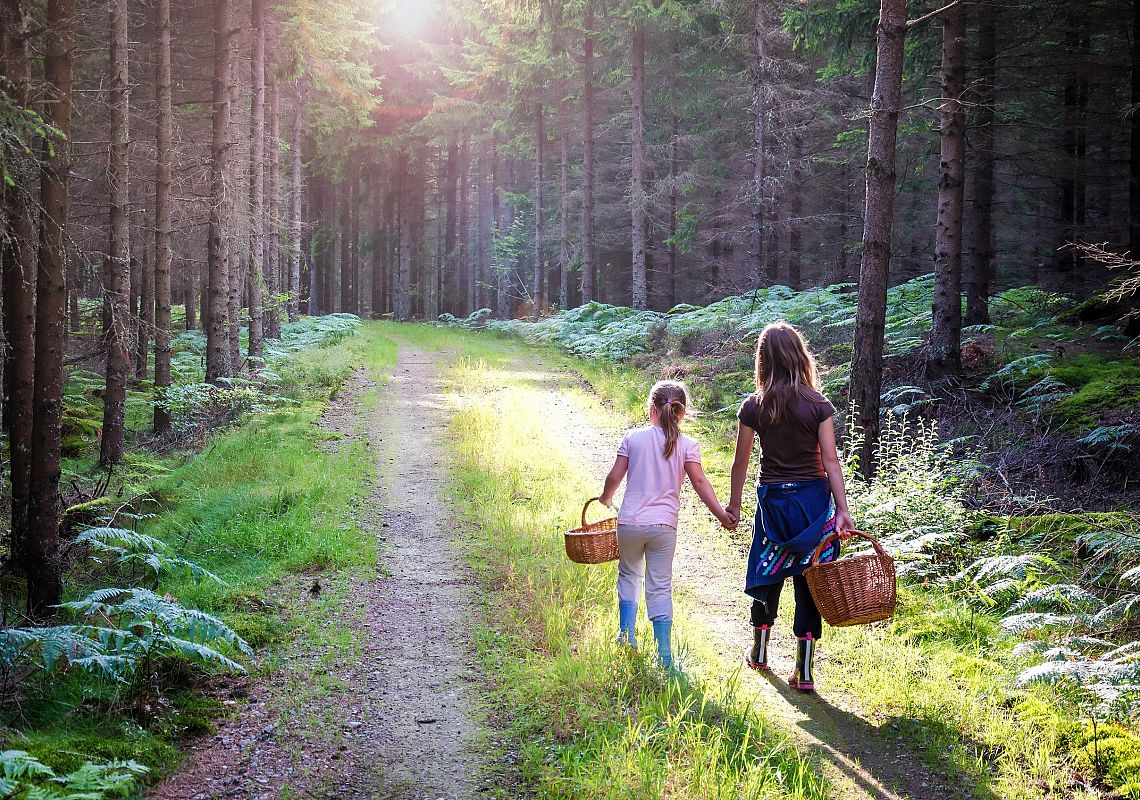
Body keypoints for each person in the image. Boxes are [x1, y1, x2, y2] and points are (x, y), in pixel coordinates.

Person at [726, 322, 853, 692]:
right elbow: (831, 461)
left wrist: (734, 507)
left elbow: (741, 462)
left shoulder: (754, 406)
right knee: (810, 578)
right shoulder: (818, 405)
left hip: (773, 505)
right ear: (801, 355)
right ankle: (806, 670)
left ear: (763, 360)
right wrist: (842, 510)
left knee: (767, 572)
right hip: (814, 504)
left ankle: (760, 652)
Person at [599, 380, 736, 669]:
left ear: (652, 409)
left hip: (630, 522)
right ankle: (664, 655)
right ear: (681, 413)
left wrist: (606, 497)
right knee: (660, 586)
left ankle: (626, 635)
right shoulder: (688, 445)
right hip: (664, 527)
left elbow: (614, 476)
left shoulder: (633, 438)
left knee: (629, 575)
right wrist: (722, 515)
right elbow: (700, 483)